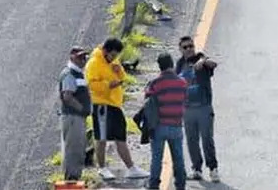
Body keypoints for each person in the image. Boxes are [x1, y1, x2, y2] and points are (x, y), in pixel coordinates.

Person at [85, 38, 151, 182]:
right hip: (101, 104)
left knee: (120, 135)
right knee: (101, 137)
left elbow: (122, 77)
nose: (115, 58)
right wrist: (108, 85)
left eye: (116, 56)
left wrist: (120, 71)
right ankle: (102, 168)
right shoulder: (94, 63)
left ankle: (131, 168)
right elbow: (91, 84)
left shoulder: (113, 62)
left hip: (115, 104)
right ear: (105, 51)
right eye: (113, 55)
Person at [176, 36, 219, 183]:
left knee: (207, 139)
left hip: (204, 107)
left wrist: (203, 62)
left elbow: (214, 64)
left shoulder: (201, 58)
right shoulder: (180, 64)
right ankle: (197, 169)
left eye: (191, 46)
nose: (189, 49)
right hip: (187, 109)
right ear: (180, 49)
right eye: (185, 47)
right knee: (191, 140)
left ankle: (213, 168)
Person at [145, 53, 188, 190]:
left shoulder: (156, 83)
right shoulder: (182, 82)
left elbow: (147, 99)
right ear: (172, 64)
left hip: (159, 126)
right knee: (178, 159)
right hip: (176, 125)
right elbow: (185, 100)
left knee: (157, 159)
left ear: (159, 66)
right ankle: (180, 185)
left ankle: (154, 185)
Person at [58, 46, 91, 182]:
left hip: (77, 118)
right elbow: (67, 96)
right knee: (73, 149)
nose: (83, 60)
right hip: (73, 118)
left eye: (84, 57)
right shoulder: (70, 74)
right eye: (80, 57)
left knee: (78, 147)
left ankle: (74, 179)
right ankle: (71, 180)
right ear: (72, 57)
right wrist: (82, 109)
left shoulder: (77, 73)